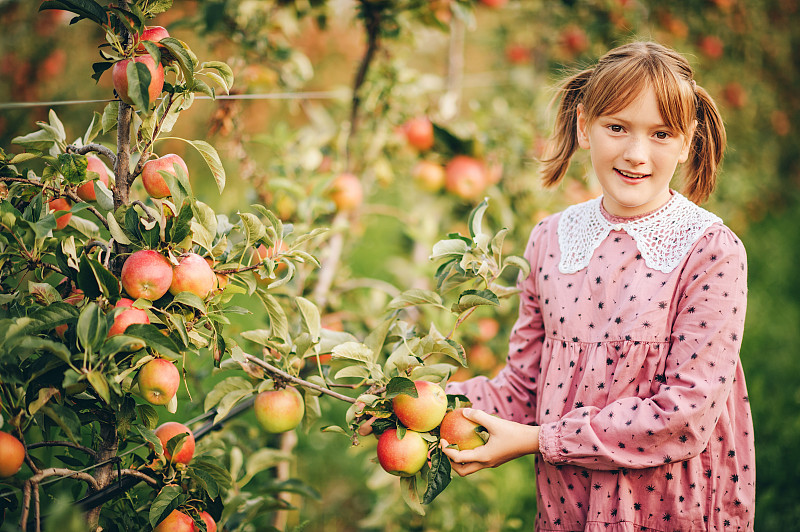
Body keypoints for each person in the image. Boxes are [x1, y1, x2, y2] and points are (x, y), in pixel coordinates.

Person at [441, 41, 755, 531]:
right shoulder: (550, 240)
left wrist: (538, 441)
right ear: (584, 127)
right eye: (616, 127)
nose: (635, 154)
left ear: (687, 141)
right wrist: (423, 404)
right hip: (570, 502)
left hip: (670, 505)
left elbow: (685, 415)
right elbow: (525, 385)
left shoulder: (710, 252)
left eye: (660, 133)